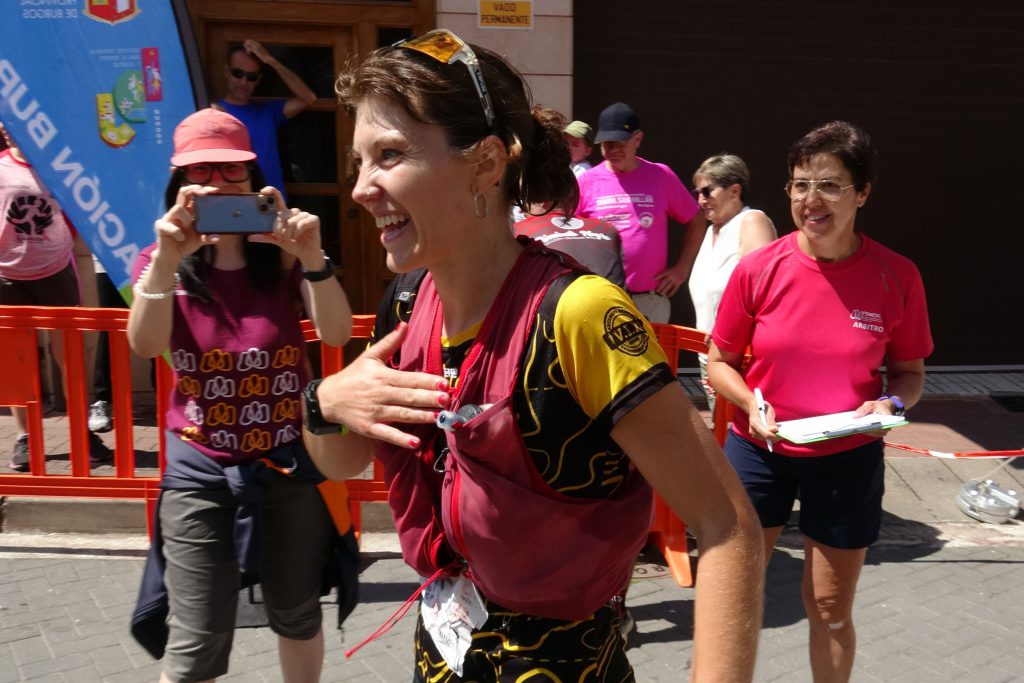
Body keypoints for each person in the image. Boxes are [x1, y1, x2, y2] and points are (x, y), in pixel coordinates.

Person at [303, 29, 763, 682]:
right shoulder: (410, 302)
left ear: (486, 164)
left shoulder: (578, 313)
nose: (360, 189)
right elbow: (341, 459)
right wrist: (323, 402)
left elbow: (727, 526)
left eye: (390, 155)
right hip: (443, 651)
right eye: (358, 163)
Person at [126, 108, 354, 683]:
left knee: (296, 614)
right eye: (200, 170)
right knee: (196, 640)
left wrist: (312, 258)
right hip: (199, 472)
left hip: (287, 465)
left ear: (253, 179)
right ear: (179, 183)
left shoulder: (283, 256)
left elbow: (336, 333)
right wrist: (168, 260)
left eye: (232, 170)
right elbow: (146, 345)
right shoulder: (159, 261)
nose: (217, 183)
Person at [707, 121, 933, 682]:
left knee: (830, 607)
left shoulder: (897, 275)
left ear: (863, 193)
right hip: (758, 451)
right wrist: (750, 402)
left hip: (847, 456)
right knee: (734, 596)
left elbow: (909, 373)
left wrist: (890, 405)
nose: (811, 200)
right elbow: (718, 361)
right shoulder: (759, 268)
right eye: (800, 184)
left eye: (830, 185)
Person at [1, 123, 112, 470]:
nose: (5, 127)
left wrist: (59, 243)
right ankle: (25, 438)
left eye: (10, 119)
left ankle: (81, 432)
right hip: (8, 276)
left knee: (71, 357)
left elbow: (78, 211)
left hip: (56, 272)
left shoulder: (59, 165)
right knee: (19, 362)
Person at [576, 102, 705, 323]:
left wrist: (682, 269)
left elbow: (697, 218)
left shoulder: (660, 176)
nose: (613, 150)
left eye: (620, 143)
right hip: (601, 299)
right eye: (607, 144)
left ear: (638, 139)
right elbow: (569, 231)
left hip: (649, 301)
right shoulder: (586, 181)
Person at [687, 153, 776, 416]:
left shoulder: (751, 221)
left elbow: (761, 290)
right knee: (722, 430)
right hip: (714, 358)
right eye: (697, 193)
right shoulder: (712, 230)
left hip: (742, 361)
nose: (701, 200)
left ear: (735, 191)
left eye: (707, 191)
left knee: (744, 431)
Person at [214, 39, 316, 201]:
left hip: (272, 203)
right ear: (227, 72)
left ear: (259, 80)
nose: (243, 82)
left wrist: (270, 60)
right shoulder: (213, 113)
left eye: (251, 77)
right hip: (233, 202)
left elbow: (308, 98)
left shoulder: (268, 112)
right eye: (237, 73)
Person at [513, 204, 626, 289]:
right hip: (614, 305)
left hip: (561, 307)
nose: (521, 210)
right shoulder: (606, 228)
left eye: (522, 203)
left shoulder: (518, 231)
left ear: (541, 203)